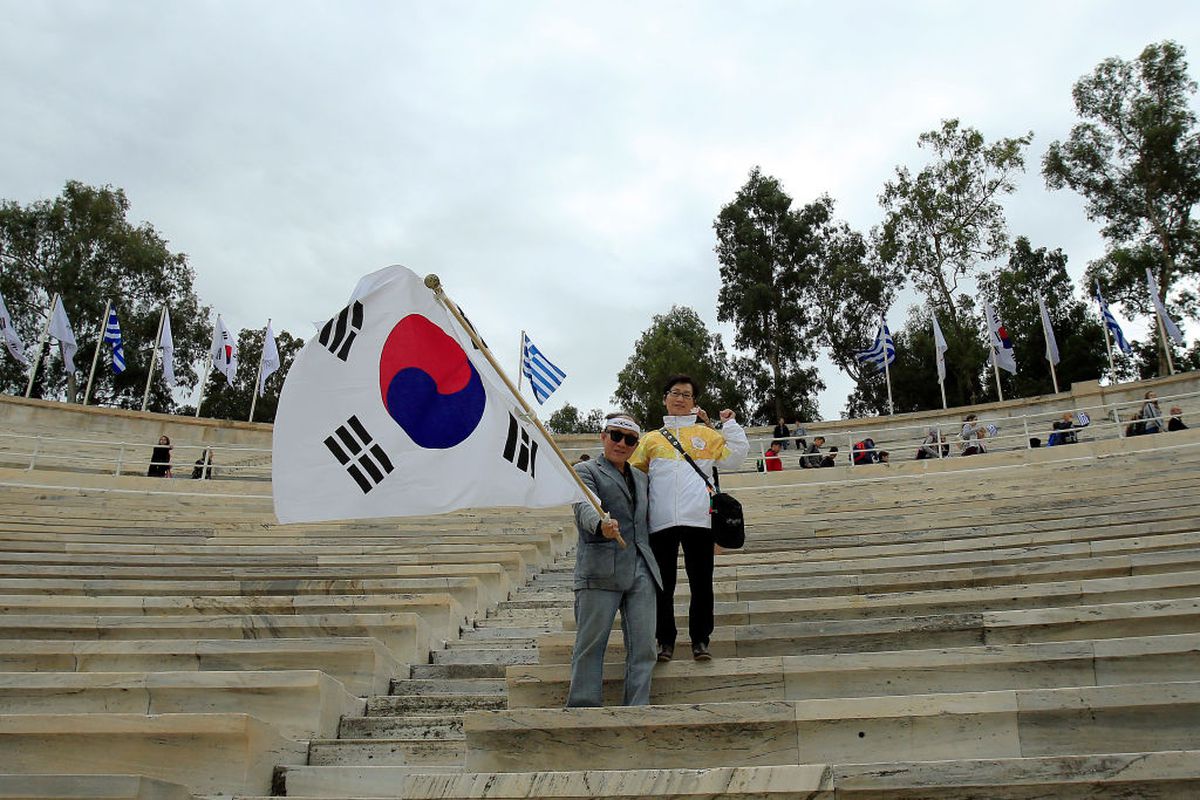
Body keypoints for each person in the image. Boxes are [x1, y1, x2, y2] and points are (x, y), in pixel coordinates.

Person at [630, 374, 749, 663]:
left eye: (686, 394)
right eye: (675, 393)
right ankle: (665, 641)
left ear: (694, 403)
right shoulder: (650, 440)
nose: (680, 398)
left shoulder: (707, 435)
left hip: (699, 520)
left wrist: (729, 424)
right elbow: (633, 476)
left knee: (701, 583)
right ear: (665, 398)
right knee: (663, 584)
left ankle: (700, 639)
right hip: (659, 522)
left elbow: (735, 457)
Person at [567, 413, 663, 708]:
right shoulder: (585, 470)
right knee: (591, 644)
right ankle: (583, 707)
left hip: (641, 565)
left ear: (636, 444)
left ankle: (637, 707)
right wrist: (600, 524)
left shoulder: (642, 477)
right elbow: (584, 506)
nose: (622, 443)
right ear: (603, 436)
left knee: (645, 646)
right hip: (600, 567)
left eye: (630, 439)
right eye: (615, 435)